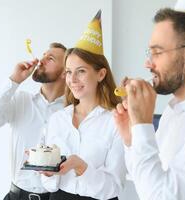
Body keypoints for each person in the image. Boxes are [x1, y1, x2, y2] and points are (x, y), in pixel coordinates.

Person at [114, 1, 185, 199]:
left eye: (157, 52)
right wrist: (132, 140)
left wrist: (143, 126)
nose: (148, 63)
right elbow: (144, 180)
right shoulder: (173, 112)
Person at [40, 10, 126, 200]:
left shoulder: (116, 121)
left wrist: (81, 167)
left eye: (81, 71)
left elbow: (115, 187)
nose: (73, 80)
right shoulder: (57, 119)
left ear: (101, 74)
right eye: (69, 72)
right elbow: (48, 186)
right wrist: (46, 170)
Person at [0, 42, 67, 200]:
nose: (41, 60)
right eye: (43, 56)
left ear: (65, 73)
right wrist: (14, 80)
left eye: (51, 59)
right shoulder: (20, 100)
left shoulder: (72, 111)